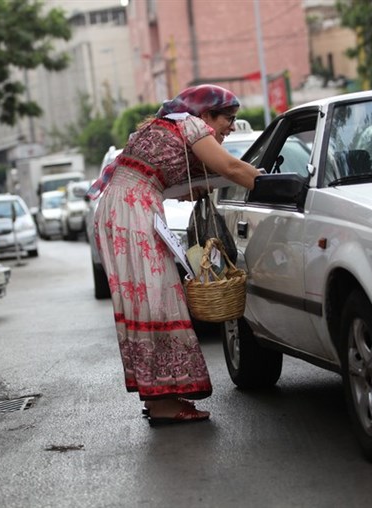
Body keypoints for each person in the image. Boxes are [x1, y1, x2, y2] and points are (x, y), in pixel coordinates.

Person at [89, 84, 262, 425]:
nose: (230, 125)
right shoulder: (191, 126)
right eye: (228, 118)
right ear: (206, 114)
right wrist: (273, 183)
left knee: (149, 300)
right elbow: (231, 168)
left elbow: (165, 178)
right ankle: (162, 402)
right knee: (157, 300)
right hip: (131, 213)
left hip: (124, 210)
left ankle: (159, 397)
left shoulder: (168, 125)